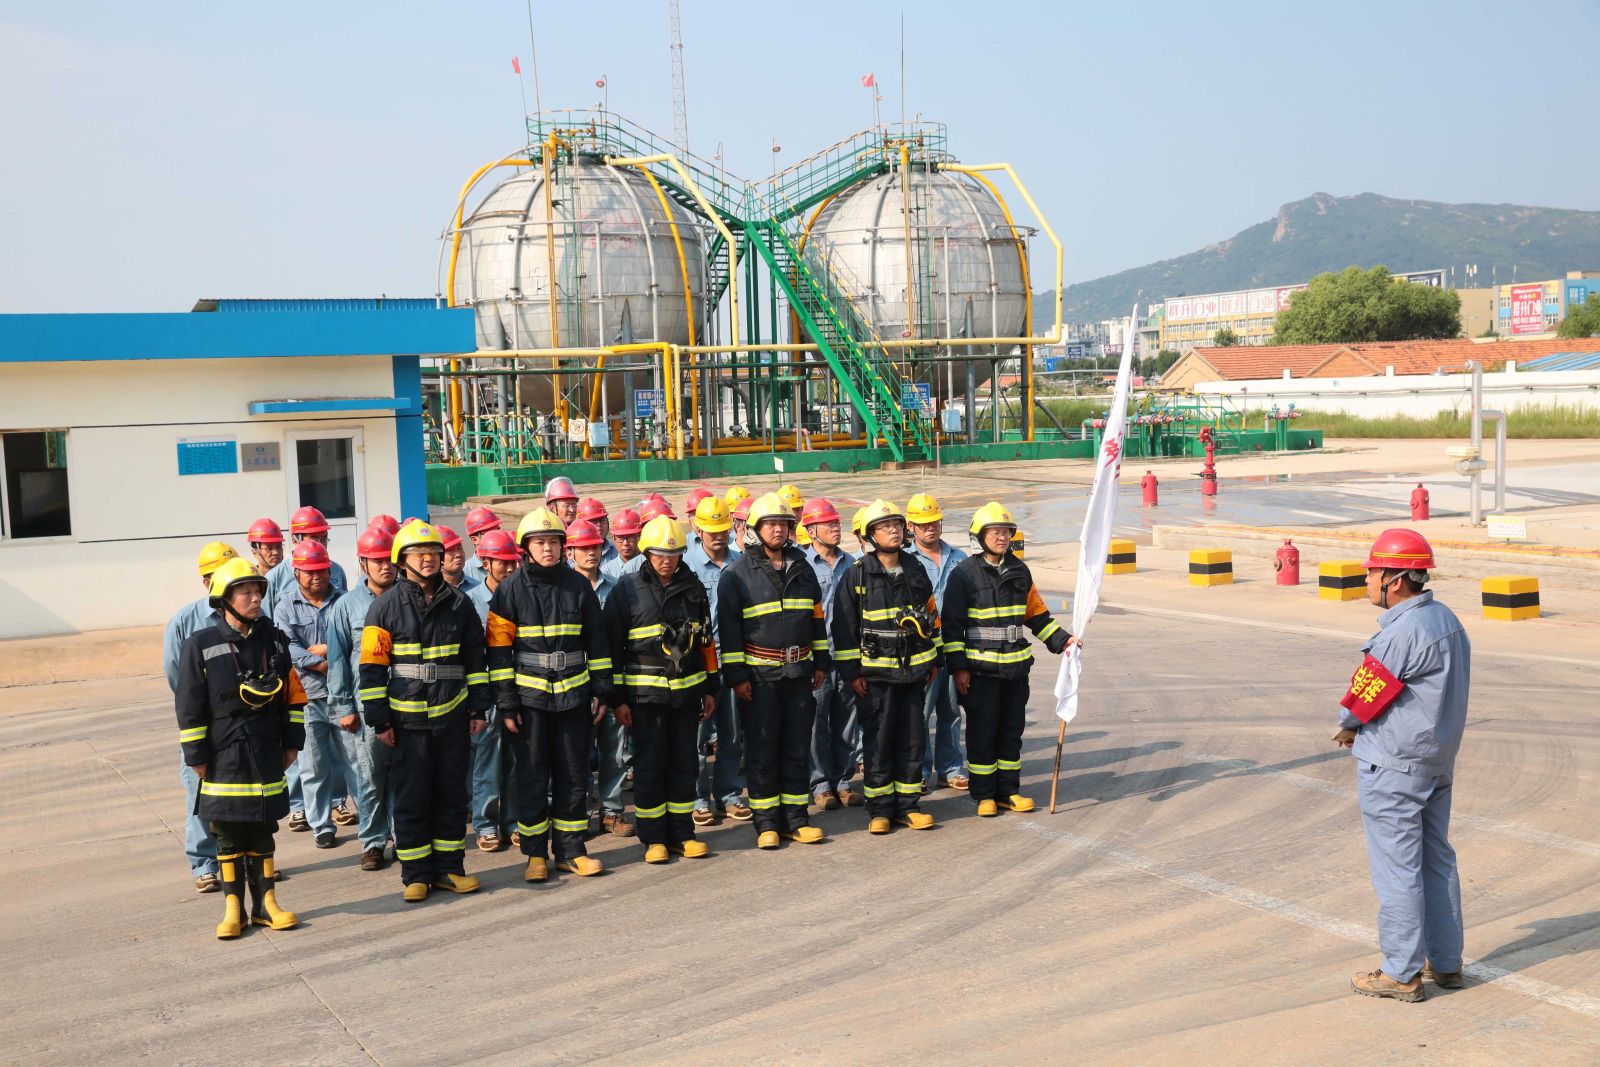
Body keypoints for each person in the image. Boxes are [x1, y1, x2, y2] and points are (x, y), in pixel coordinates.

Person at [1335, 529, 1470, 1003]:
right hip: (1436, 760)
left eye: (1372, 572)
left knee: (1397, 868)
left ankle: (1400, 972)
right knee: (1436, 859)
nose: (1367, 580)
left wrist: (1347, 726)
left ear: (1394, 580)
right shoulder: (1445, 618)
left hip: (1395, 765)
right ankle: (1446, 962)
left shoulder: (1401, 632)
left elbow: (1367, 693)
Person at [358, 520, 490, 903]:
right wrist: (379, 719)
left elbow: (475, 659)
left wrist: (478, 707)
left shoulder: (460, 604)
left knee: (451, 795)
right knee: (411, 797)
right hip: (406, 721)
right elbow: (371, 669)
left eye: (433, 553)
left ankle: (450, 870)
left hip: (452, 715)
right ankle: (415, 875)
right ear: (402, 561)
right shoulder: (384, 607)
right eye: (418, 554)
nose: (428, 560)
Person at [174, 558, 305, 939]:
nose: (255, 598)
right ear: (224, 600)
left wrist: (292, 743)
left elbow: (294, 696)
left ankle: (267, 906)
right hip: (222, 752)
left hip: (266, 749)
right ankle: (234, 909)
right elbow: (188, 705)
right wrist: (196, 755)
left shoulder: (275, 640)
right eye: (245, 592)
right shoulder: (199, 644)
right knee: (228, 832)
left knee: (262, 828)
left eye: (257, 591)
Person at [487, 508, 614, 881]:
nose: (547, 548)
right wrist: (507, 702)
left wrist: (602, 688)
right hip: (530, 703)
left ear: (563, 547)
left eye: (554, 542)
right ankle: (535, 856)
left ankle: (571, 851)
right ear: (526, 547)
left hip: (574, 698)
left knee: (574, 775)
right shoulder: (509, 591)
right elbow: (498, 653)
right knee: (531, 778)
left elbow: (597, 642)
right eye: (540, 542)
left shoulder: (579, 586)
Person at [942, 502, 1073, 817]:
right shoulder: (964, 574)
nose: (1002, 538)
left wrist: (1063, 640)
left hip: (1015, 671)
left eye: (1006, 532)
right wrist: (959, 669)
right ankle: (985, 795)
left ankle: (1008, 791)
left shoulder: (1020, 571)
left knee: (1011, 733)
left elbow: (1037, 615)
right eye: (995, 532)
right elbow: (952, 626)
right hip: (980, 672)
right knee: (982, 733)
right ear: (980, 536)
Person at [603, 516, 719, 863]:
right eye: (659, 555)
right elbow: (612, 648)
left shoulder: (693, 587)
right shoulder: (626, 589)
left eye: (673, 554)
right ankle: (653, 838)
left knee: (685, 764)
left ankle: (682, 833)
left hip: (686, 695)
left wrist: (710, 688)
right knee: (651, 767)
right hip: (645, 698)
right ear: (647, 553)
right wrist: (618, 699)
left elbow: (706, 641)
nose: (667, 561)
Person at [716, 493, 830, 849]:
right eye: (771, 524)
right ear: (755, 528)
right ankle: (766, 823)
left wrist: (821, 662)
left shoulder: (803, 568)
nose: (778, 529)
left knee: (796, 747)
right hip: (759, 679)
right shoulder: (736, 574)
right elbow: (730, 631)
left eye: (783, 523)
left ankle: (796, 819)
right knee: (762, 749)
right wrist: (737, 677)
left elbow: (816, 619)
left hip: (799, 675)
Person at [830, 500, 940, 834]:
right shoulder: (857, 574)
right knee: (878, 741)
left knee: (913, 739)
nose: (893, 530)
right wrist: (852, 673)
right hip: (876, 677)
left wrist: (934, 659)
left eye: (896, 525)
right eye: (884, 526)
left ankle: (908, 806)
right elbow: (844, 628)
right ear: (870, 535)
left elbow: (931, 616)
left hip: (914, 673)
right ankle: (879, 810)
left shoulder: (915, 568)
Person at [162, 540, 241, 892]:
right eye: (221, 575)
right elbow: (174, 673)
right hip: (204, 722)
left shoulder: (248, 615)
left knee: (243, 791)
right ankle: (204, 863)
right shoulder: (185, 621)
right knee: (199, 791)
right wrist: (197, 707)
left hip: (240, 722)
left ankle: (245, 857)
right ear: (206, 581)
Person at [326, 525, 400, 871]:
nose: (385, 566)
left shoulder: (408, 598)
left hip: (406, 703)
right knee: (369, 779)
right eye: (377, 560)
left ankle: (403, 837)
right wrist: (343, 706)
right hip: (365, 706)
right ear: (362, 564)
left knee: (404, 775)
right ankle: (372, 842)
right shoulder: (346, 606)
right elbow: (337, 659)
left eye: (389, 559)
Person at [273, 539, 355, 849]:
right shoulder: (285, 605)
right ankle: (321, 825)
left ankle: (371, 826)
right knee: (313, 766)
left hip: (344, 696)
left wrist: (328, 650)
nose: (317, 576)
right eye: (310, 571)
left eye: (322, 570)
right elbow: (288, 648)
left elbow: (354, 642)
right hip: (307, 699)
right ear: (296, 572)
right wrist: (322, 663)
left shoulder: (345, 601)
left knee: (356, 763)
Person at [684, 496, 751, 827]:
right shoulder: (687, 566)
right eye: (712, 531)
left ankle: (728, 795)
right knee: (697, 736)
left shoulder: (742, 564)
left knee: (732, 733)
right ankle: (697, 799)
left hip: (734, 660)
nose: (719, 536)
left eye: (724, 530)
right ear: (698, 529)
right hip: (699, 665)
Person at [568, 518, 630, 838]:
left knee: (614, 750)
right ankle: (579, 814)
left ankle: (612, 811)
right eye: (583, 548)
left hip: (610, 680)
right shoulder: (564, 590)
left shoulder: (616, 587)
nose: (591, 552)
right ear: (570, 552)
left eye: (594, 546)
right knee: (576, 754)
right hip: (574, 685)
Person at [905, 492, 970, 794]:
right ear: (911, 526)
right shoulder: (906, 561)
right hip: (922, 650)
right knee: (920, 713)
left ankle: (951, 769)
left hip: (954, 645)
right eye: (923, 524)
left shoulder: (959, 558)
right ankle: (918, 770)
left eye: (934, 522)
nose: (930, 528)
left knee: (952, 711)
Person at [464, 529, 523, 853]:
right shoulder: (471, 602)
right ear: (485, 563)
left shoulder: (523, 595)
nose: (511, 568)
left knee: (515, 759)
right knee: (487, 761)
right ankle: (486, 825)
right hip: (487, 692)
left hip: (520, 689)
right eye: (503, 563)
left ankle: (513, 821)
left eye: (514, 562)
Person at [801, 497, 860, 810]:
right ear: (811, 531)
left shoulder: (852, 564)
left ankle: (843, 781)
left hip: (848, 657)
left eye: (837, 523)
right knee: (815, 725)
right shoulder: (802, 566)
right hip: (817, 660)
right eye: (829, 524)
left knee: (846, 723)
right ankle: (820, 784)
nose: (836, 528)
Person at [266, 505, 348, 613]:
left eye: (324, 538)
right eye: (314, 538)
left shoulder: (337, 570)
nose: (320, 544)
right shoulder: (274, 578)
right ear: (295, 540)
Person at [462, 506, 502, 586]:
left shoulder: (511, 564)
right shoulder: (465, 573)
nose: (496, 536)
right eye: (490, 533)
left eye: (497, 530)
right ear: (475, 539)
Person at [577, 497, 619, 573]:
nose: (599, 524)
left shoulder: (617, 551)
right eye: (593, 521)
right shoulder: (573, 555)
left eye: (602, 520)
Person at [602, 507, 644, 580]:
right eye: (620, 538)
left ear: (639, 536)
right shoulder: (607, 572)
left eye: (630, 537)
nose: (625, 543)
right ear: (613, 538)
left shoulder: (650, 565)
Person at [438, 525, 478, 591]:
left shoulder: (477, 588)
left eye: (459, 548)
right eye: (450, 550)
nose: (458, 554)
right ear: (436, 556)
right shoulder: (429, 591)